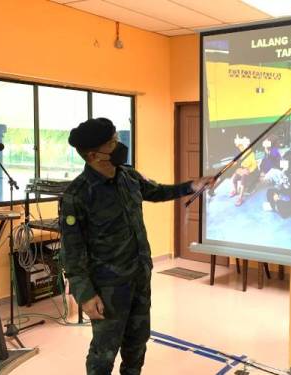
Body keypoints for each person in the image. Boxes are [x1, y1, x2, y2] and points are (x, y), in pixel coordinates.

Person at [60, 118, 214, 375]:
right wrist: (84, 294)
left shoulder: (128, 176)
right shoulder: (77, 195)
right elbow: (72, 252)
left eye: (117, 138)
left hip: (139, 276)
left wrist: (192, 186)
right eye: (113, 143)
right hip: (108, 287)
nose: (119, 145)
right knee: (104, 352)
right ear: (94, 155)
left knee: (138, 342)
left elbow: (157, 191)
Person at [264, 150, 291, 218]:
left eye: (285, 161)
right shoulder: (286, 170)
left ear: (290, 162)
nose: (283, 163)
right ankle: (275, 206)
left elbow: (289, 191)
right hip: (285, 192)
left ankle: (274, 206)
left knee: (283, 208)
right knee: (269, 192)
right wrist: (276, 194)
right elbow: (281, 186)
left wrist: (279, 197)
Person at [231, 135, 259, 206]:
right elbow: (238, 145)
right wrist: (239, 169)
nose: (241, 147)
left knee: (243, 178)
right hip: (243, 169)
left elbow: (255, 165)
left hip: (251, 171)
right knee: (234, 179)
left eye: (243, 146)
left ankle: (240, 198)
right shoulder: (242, 152)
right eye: (241, 146)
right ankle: (236, 190)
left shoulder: (251, 153)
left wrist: (248, 170)